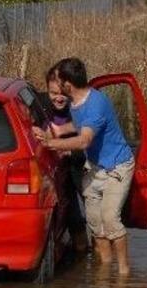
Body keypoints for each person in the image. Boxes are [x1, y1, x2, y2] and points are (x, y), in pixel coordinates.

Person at [34, 58, 135, 275]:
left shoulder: (96, 103)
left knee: (110, 218)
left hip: (117, 166)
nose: (56, 85)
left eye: (59, 80)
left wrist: (52, 143)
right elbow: (80, 123)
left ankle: (124, 273)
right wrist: (59, 132)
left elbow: (84, 140)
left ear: (68, 84)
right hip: (96, 167)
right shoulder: (75, 101)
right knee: (95, 221)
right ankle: (105, 269)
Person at [38, 65, 89, 253]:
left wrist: (67, 150)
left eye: (62, 93)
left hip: (78, 167)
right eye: (53, 93)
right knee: (69, 212)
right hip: (54, 173)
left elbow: (89, 142)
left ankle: (94, 261)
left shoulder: (79, 108)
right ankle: (78, 252)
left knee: (93, 215)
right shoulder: (39, 104)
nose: (58, 98)